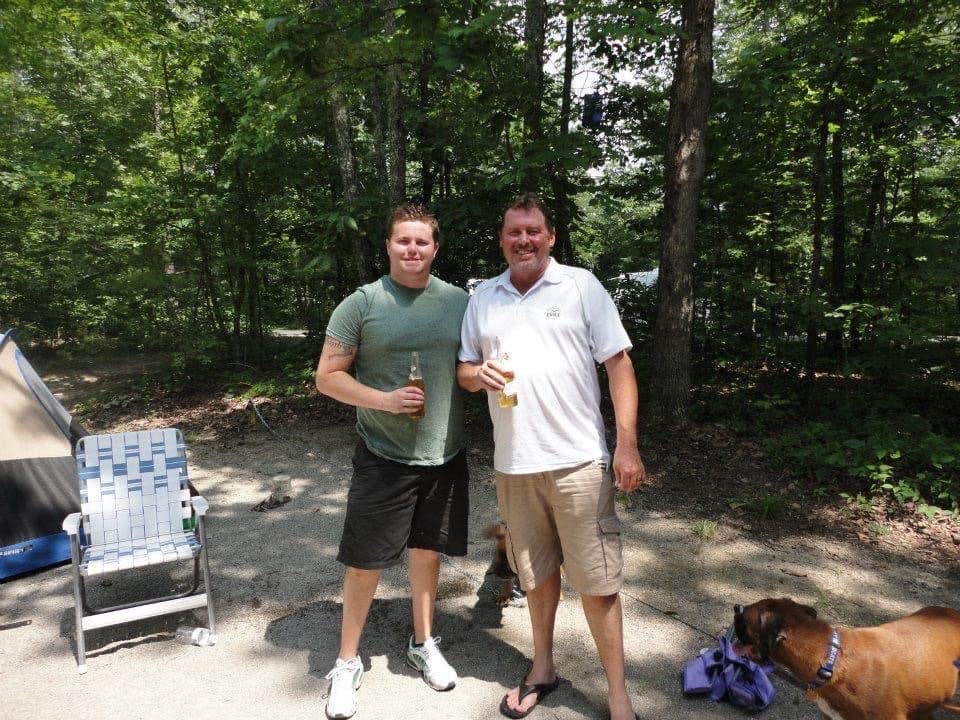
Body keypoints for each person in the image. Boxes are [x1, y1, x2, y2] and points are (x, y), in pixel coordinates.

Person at [457, 193, 647, 720]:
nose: (525, 240)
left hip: (579, 462)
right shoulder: (484, 297)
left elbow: (619, 364)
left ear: (550, 237)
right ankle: (542, 667)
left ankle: (618, 697)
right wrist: (477, 376)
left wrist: (625, 444)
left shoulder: (580, 286)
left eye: (534, 231)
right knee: (536, 575)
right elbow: (464, 368)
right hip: (514, 463)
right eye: (515, 232)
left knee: (598, 582)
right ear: (501, 240)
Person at [315, 204, 469, 719]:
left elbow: (473, 365)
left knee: (427, 553)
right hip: (383, 455)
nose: (412, 250)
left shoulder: (459, 302)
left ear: (435, 248)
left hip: (443, 454)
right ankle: (346, 661)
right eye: (403, 241)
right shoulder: (361, 304)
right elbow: (327, 377)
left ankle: (423, 643)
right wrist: (383, 400)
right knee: (365, 562)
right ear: (387, 246)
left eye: (421, 242)